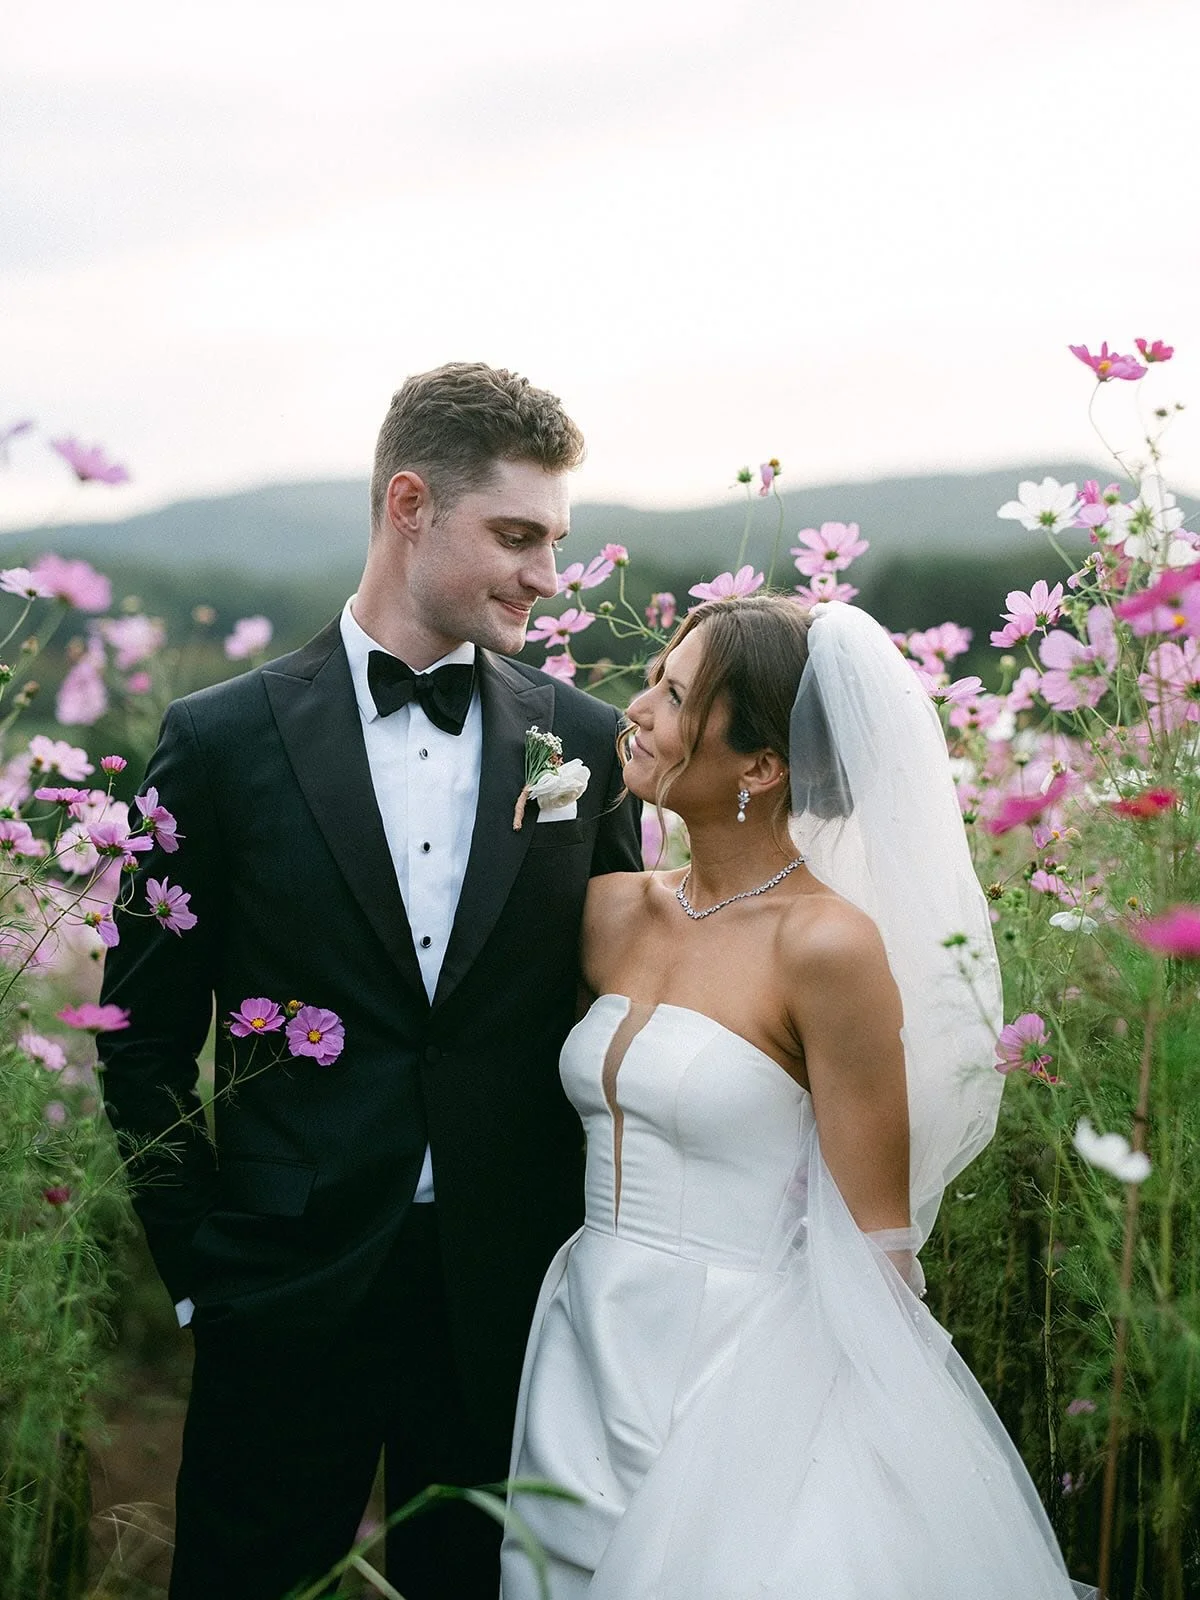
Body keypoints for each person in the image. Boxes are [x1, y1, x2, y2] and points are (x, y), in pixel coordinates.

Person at [97, 362, 643, 1600]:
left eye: (555, 541)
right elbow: (136, 1035)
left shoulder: (589, 744)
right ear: (409, 504)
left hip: (508, 1295)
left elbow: (618, 1007)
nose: (546, 576)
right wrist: (201, 1273)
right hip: (282, 1289)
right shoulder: (218, 740)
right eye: (516, 535)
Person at [501, 595, 1090, 1599]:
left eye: (675, 695)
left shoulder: (824, 945)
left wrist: (889, 1455)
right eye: (654, 681)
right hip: (581, 1340)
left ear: (763, 765)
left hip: (747, 1374)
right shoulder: (605, 909)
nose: (632, 711)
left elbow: (878, 1240)